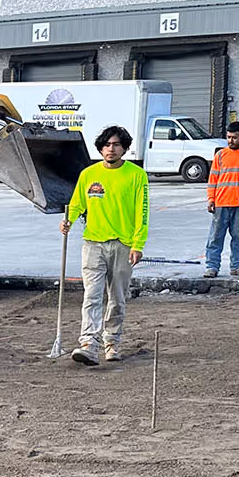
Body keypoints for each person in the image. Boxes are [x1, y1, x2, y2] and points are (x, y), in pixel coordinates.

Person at [62, 125, 148, 365]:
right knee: (92, 295)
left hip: (123, 245)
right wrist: (67, 220)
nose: (111, 149)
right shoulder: (88, 174)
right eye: (107, 145)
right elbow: (77, 203)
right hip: (93, 243)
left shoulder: (136, 176)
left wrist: (137, 244)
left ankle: (112, 342)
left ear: (124, 148)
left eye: (117, 145)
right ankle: (88, 343)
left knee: (117, 298)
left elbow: (143, 213)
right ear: (100, 147)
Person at [203, 121, 239, 277]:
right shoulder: (220, 155)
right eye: (228, 137)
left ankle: (237, 266)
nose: (230, 141)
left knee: (238, 237)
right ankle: (212, 267)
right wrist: (211, 199)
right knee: (215, 237)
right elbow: (212, 179)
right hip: (221, 203)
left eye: (234, 138)